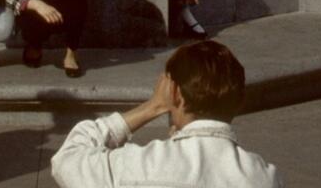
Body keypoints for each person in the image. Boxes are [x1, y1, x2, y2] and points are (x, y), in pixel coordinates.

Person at [50, 39, 282, 187]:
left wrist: (153, 106)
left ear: (174, 93)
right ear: (239, 100)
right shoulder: (264, 177)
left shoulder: (142, 166)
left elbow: (68, 160)